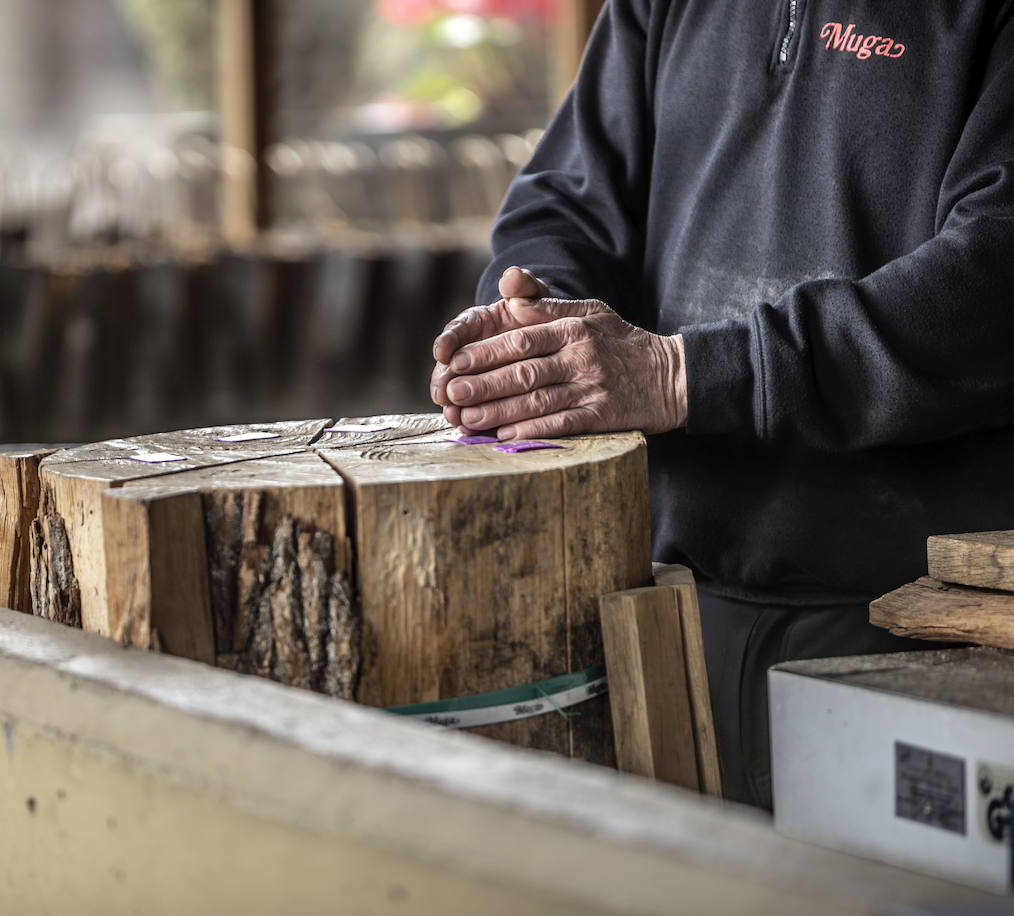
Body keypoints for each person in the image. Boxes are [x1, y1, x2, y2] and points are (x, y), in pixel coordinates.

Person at [431, 1, 1014, 808]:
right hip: (663, 604)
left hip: (915, 624)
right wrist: (547, 317)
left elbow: (992, 282)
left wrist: (681, 375)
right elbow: (567, 200)